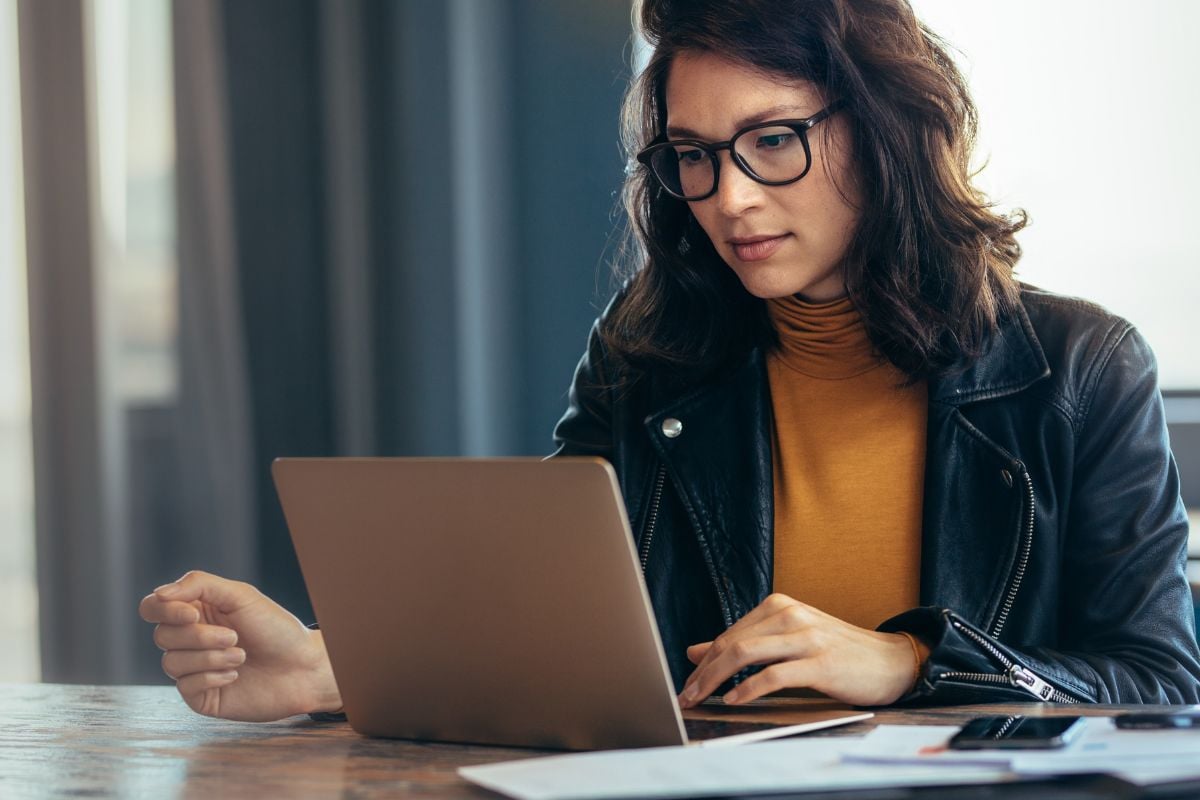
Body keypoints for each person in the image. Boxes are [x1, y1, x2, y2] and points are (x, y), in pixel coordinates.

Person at [140, 0, 1200, 722]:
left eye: (773, 140)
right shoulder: (650, 351)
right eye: (693, 154)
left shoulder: (1076, 369)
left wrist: (915, 663)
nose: (730, 196)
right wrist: (333, 664)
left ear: (887, 128)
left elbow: (1161, 683)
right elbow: (551, 627)